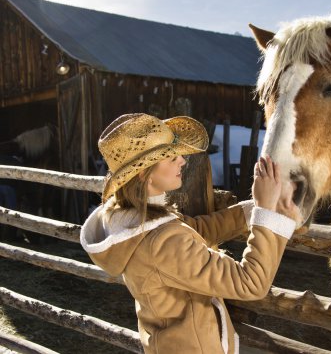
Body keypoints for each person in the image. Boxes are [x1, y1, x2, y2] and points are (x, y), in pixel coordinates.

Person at [80, 113, 298, 354]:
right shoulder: (163, 241)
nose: (182, 161)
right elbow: (251, 283)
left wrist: (252, 211)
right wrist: (266, 212)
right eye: (171, 156)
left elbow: (193, 231)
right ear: (145, 174)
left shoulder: (135, 222)